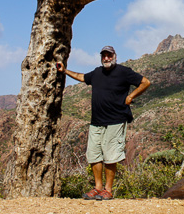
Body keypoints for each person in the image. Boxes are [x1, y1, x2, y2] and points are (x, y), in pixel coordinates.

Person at [56, 46, 151, 200]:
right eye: (104, 56)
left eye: (109, 55)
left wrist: (131, 96)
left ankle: (108, 190)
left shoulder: (123, 71)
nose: (106, 58)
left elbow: (145, 82)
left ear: (115, 56)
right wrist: (65, 71)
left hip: (116, 120)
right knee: (94, 155)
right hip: (96, 122)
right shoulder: (97, 73)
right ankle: (97, 188)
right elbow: (82, 77)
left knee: (110, 156)